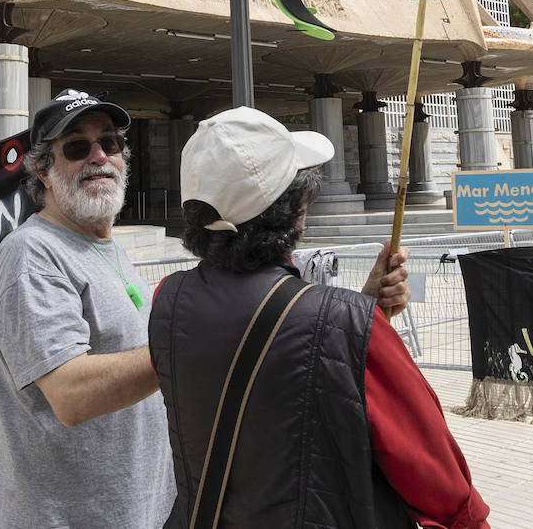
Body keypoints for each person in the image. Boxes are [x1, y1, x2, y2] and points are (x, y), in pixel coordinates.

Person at [149, 107, 491, 528]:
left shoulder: (168, 300)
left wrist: (360, 310)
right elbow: (439, 483)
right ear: (293, 210)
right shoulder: (347, 325)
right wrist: (362, 323)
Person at [0, 89, 173, 528]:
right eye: (78, 147)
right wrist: (187, 342)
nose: (99, 156)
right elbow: (71, 394)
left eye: (111, 143)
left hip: (131, 510)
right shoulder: (32, 255)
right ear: (44, 170)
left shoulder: (102, 245)